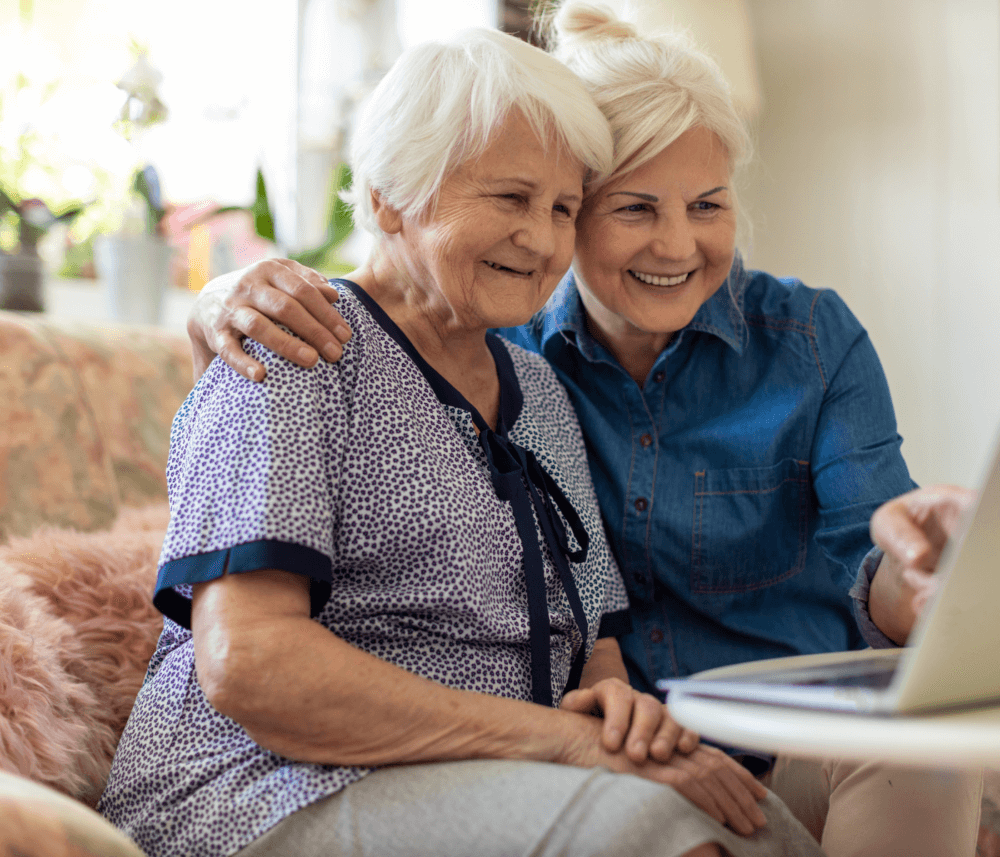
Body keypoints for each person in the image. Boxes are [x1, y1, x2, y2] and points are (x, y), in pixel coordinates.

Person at [186, 3, 982, 854]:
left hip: (682, 747)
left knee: (879, 765)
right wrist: (212, 306)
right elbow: (248, 637)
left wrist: (931, 575)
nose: (675, 243)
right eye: (632, 208)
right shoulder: (397, 339)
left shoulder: (538, 382)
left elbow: (596, 630)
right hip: (421, 772)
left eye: (707, 203)